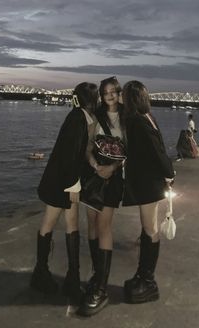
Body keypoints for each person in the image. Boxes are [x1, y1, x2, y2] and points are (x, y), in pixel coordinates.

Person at [30, 82, 99, 307]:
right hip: (65, 182)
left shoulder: (81, 116)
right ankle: (67, 278)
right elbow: (70, 154)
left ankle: (44, 274)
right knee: (66, 226)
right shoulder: (78, 118)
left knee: (53, 223)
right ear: (92, 99)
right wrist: (72, 185)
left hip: (62, 181)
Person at [121, 80, 175, 304]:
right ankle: (142, 275)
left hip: (148, 183)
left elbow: (155, 151)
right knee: (148, 227)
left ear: (129, 99)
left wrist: (169, 173)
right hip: (150, 181)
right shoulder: (148, 118)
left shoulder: (136, 121)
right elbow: (160, 148)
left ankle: (148, 281)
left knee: (150, 228)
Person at [78, 76, 125, 316]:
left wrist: (113, 168)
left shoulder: (127, 119)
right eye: (105, 92)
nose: (109, 95)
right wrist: (96, 166)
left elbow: (131, 151)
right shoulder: (96, 117)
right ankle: (98, 274)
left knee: (105, 225)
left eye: (113, 91)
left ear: (119, 93)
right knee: (92, 225)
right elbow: (87, 147)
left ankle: (101, 288)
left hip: (114, 179)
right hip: (94, 177)